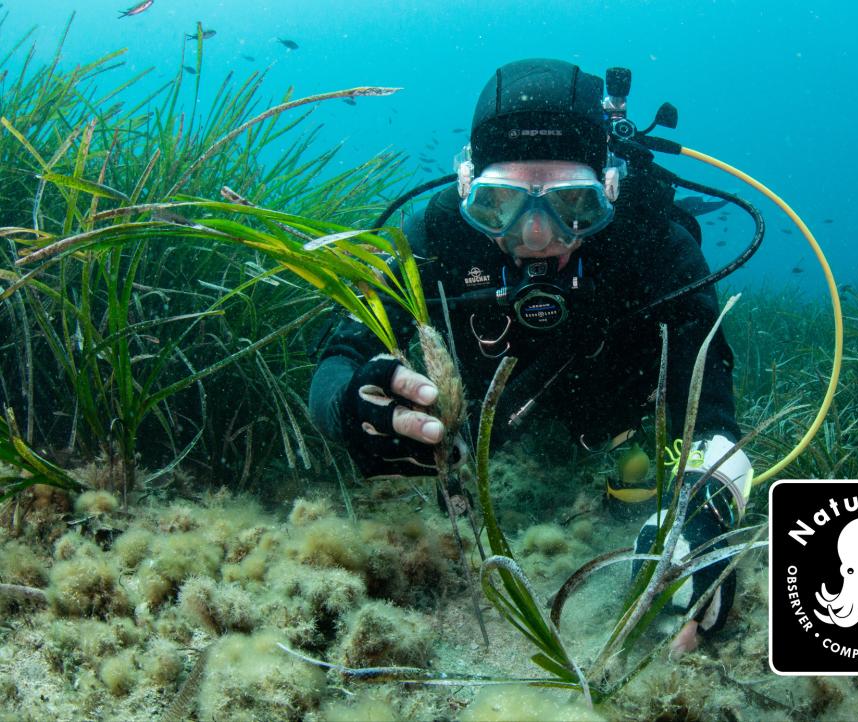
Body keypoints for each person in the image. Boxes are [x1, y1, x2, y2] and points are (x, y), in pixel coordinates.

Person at [309, 58, 753, 651]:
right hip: (492, 413)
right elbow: (339, 356)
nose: (536, 236)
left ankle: (625, 454)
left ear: (610, 191)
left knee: (637, 459)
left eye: (575, 205)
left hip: (613, 411)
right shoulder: (434, 234)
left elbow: (713, 415)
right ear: (467, 187)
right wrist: (345, 406)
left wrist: (703, 517)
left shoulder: (654, 243)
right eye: (499, 205)